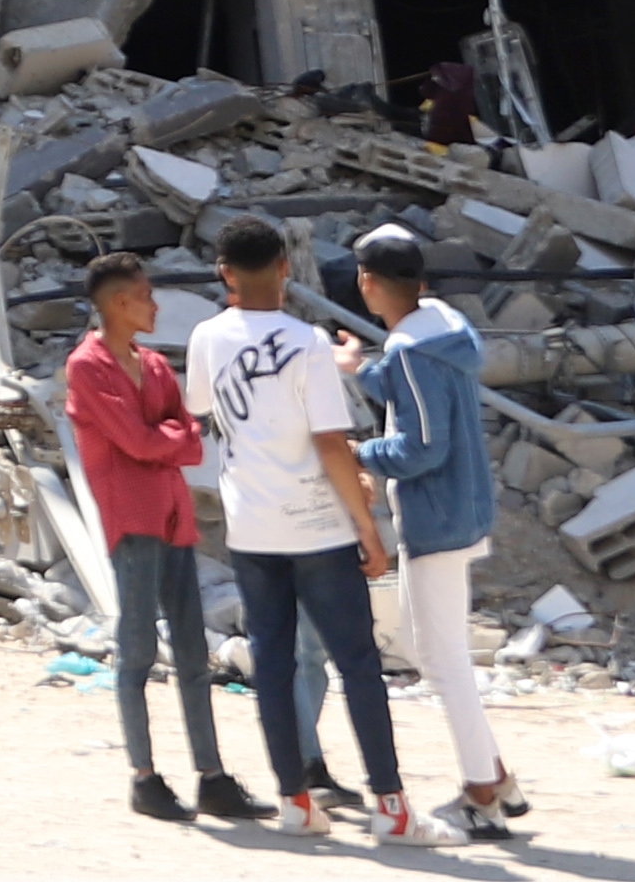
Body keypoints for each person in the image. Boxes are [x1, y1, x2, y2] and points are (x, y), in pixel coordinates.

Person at [189, 210, 416, 838]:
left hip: (251, 529)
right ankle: (391, 807)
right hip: (317, 529)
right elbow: (329, 442)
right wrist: (367, 526)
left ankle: (295, 802)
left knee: (274, 664)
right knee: (358, 664)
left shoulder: (207, 337)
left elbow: (203, 413)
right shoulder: (307, 341)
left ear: (223, 273)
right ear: (286, 268)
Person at [64, 247, 264, 822]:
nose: (155, 305)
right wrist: (168, 437)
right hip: (132, 519)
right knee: (137, 651)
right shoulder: (88, 365)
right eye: (147, 296)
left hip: (173, 515)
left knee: (193, 651)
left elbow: (188, 437)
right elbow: (144, 441)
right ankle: (145, 777)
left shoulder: (150, 365)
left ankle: (211, 775)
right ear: (121, 303)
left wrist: (166, 437)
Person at [348, 228, 523, 840]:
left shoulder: (410, 353)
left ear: (368, 283)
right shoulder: (443, 329)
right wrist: (365, 372)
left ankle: (483, 792)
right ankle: (496, 775)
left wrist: (359, 453)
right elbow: (418, 393)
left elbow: (421, 446)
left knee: (440, 660)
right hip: (464, 505)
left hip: (437, 515)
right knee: (442, 655)